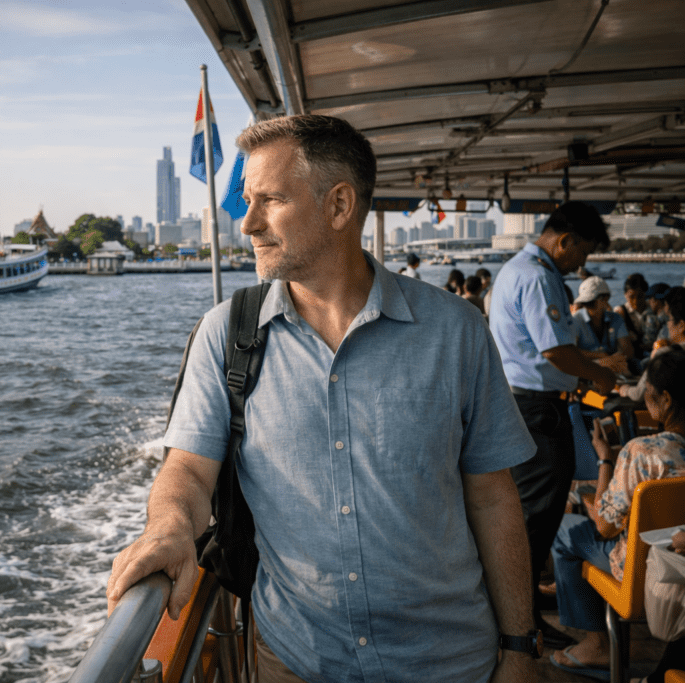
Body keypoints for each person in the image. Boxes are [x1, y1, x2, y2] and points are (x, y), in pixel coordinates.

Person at [108, 114, 539, 683]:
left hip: (448, 661)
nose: (248, 223)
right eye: (245, 201)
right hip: (298, 660)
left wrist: (519, 647)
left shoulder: (455, 332)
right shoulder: (227, 335)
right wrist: (166, 528)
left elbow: (491, 497)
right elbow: (188, 469)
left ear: (339, 206)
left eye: (270, 200)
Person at [488, 201, 617, 646]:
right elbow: (555, 353)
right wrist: (603, 374)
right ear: (565, 240)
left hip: (526, 404)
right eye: (581, 254)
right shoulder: (540, 278)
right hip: (539, 410)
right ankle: (517, 622)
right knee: (537, 516)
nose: (582, 264)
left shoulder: (515, 270)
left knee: (533, 514)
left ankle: (519, 610)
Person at [549, 347, 685, 680]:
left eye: (649, 393)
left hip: (638, 577)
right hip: (677, 568)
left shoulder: (640, 453)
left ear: (666, 399)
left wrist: (605, 460)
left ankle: (596, 644)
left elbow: (606, 527)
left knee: (564, 529)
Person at [620, 287, 685, 401]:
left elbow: (638, 394)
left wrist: (625, 389)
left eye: (669, 319)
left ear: (681, 325)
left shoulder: (665, 353)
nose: (667, 325)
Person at [573, 276, 633, 370]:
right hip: (586, 367)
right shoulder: (575, 320)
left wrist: (613, 359)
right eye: (585, 303)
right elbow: (571, 352)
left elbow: (628, 351)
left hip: (614, 366)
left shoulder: (616, 319)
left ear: (606, 299)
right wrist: (601, 357)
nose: (588, 307)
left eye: (591, 303)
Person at [614, 273, 648, 358]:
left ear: (645, 294)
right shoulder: (620, 312)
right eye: (631, 297)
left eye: (640, 297)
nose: (636, 301)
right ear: (625, 295)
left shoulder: (653, 309)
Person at [644, 283, 673, 352]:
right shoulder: (675, 316)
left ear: (656, 300)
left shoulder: (653, 319)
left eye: (650, 299)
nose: (649, 302)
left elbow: (648, 343)